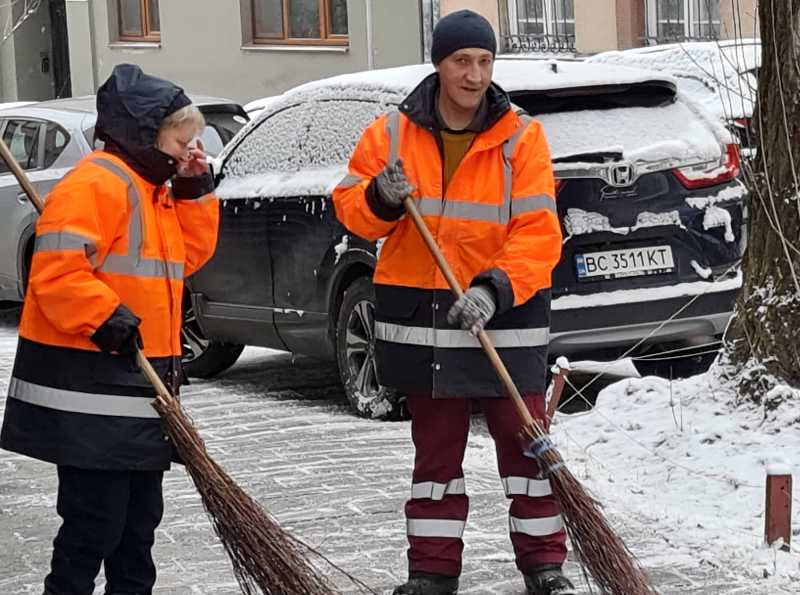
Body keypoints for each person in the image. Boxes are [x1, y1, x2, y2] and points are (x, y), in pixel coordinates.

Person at [333, 10, 574, 595]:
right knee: (435, 461)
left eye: (484, 62)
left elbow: (539, 232)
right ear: (439, 65)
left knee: (526, 453)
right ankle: (432, 573)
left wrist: (494, 290)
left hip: (504, 317)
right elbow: (351, 210)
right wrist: (381, 198)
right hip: (425, 318)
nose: (474, 75)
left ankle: (545, 565)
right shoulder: (391, 134)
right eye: (462, 61)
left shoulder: (521, 136)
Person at [0, 64, 219, 595]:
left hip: (142, 391)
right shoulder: (96, 184)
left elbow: (188, 257)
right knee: (94, 525)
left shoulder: (157, 191)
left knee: (138, 528)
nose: (189, 150)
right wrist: (106, 317)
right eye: (182, 141)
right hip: (89, 395)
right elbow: (55, 274)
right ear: (144, 135)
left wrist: (195, 188)